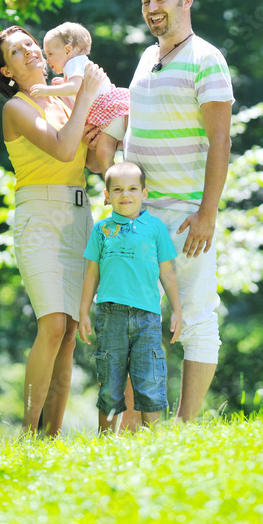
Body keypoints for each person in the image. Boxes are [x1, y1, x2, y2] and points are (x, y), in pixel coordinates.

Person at [122, 0, 234, 423]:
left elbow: (221, 141)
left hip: (187, 215)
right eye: (146, 1)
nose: (152, 9)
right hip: (137, 215)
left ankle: (185, 428)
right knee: (131, 319)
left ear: (187, 1)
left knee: (196, 318)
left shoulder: (207, 58)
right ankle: (133, 429)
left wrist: (207, 212)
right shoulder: (147, 57)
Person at [0, 25, 105, 435]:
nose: (29, 51)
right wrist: (86, 94)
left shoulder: (64, 96)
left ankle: (51, 438)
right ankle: (27, 433)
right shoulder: (17, 108)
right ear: (7, 71)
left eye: (29, 44)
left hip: (80, 219)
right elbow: (63, 148)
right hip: (39, 219)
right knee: (53, 324)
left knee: (70, 332)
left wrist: (97, 133)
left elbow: (90, 161)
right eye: (16, 52)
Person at [78, 161, 182, 433]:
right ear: (107, 195)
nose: (125, 194)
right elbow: (91, 273)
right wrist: (83, 312)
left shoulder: (155, 228)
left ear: (144, 193)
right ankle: (105, 441)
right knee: (110, 382)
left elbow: (167, 272)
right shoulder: (101, 230)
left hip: (148, 317)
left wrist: (177, 311)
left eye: (133, 188)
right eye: (118, 189)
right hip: (109, 316)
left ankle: (153, 441)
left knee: (149, 380)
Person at [30, 22, 129, 177]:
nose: (47, 60)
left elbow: (74, 88)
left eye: (50, 54)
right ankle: (114, 185)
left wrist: (46, 90)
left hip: (112, 110)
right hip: (106, 119)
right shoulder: (75, 66)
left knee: (110, 152)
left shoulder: (74, 62)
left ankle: (117, 184)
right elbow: (78, 86)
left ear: (68, 50)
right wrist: (64, 83)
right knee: (103, 153)